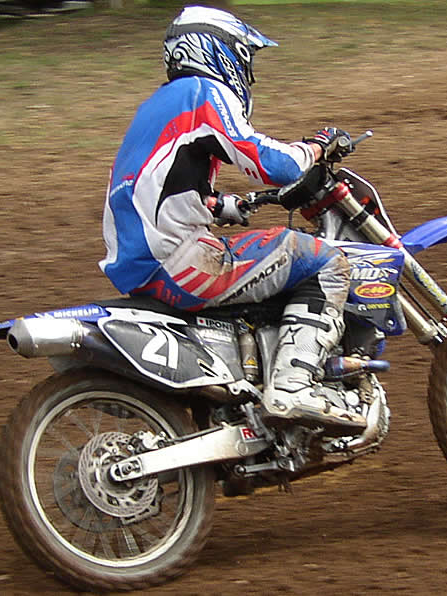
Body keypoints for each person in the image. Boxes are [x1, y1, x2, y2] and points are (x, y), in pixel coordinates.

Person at [100, 5, 365, 434]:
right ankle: (293, 386)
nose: (247, 73)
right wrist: (317, 146)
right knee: (326, 260)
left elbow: (154, 184)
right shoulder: (201, 93)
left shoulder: (155, 107)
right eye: (244, 58)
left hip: (143, 264)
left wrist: (221, 205)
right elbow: (274, 163)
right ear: (217, 52)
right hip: (180, 261)